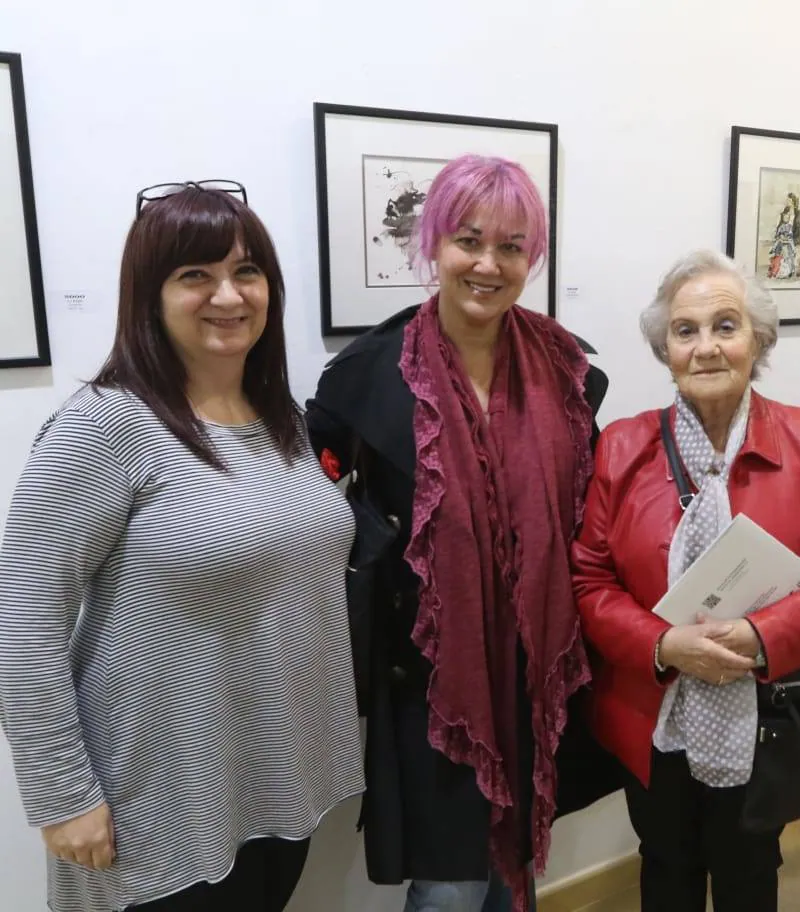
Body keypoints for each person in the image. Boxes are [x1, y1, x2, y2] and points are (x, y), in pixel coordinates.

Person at [0, 181, 365, 912]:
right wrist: (61, 794)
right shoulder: (105, 428)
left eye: (247, 271)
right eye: (194, 274)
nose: (228, 295)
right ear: (149, 295)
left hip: (280, 777)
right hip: (159, 797)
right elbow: (21, 615)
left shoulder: (280, 418)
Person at [306, 155, 611, 912]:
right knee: (447, 885)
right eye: (468, 240)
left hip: (538, 673)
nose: (487, 264)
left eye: (511, 246)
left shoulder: (567, 375)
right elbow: (302, 497)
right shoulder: (367, 379)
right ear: (434, 244)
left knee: (515, 877)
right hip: (433, 682)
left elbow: (592, 515)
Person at [571, 250, 800, 912]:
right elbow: (589, 579)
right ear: (665, 348)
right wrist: (662, 645)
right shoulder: (621, 448)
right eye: (686, 331)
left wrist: (758, 634)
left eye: (725, 326)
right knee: (666, 870)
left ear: (757, 339)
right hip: (652, 715)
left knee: (748, 877)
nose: (706, 348)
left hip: (766, 717)